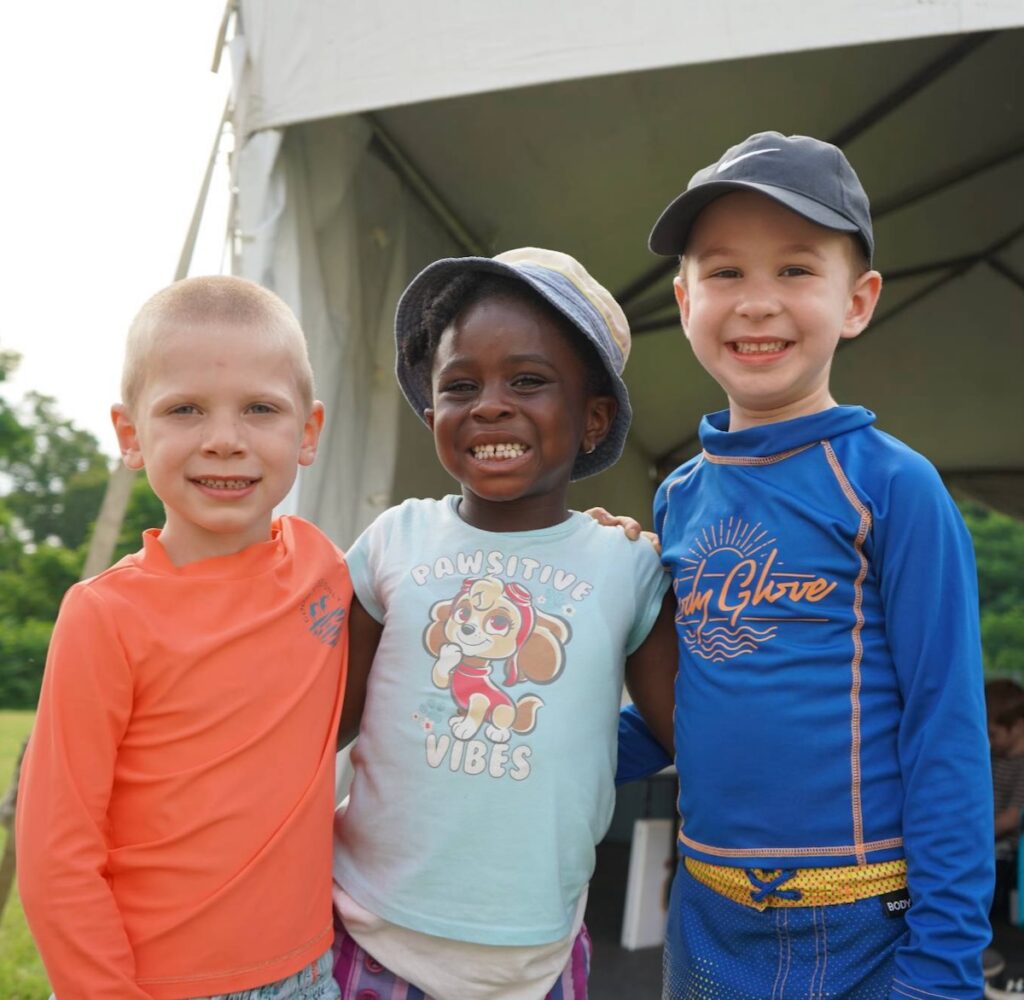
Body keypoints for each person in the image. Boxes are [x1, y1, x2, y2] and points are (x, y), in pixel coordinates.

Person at [615, 131, 993, 998]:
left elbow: (947, 731)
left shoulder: (893, 487)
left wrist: (944, 965)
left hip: (866, 922)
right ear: (682, 299)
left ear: (857, 301)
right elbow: (692, 703)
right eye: (724, 273)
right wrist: (539, 750)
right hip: (707, 911)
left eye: (793, 270)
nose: (756, 303)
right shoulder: (678, 497)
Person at [330, 247, 676, 999]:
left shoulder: (627, 565)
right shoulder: (395, 540)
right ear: (432, 418)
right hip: (367, 934)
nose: (489, 404)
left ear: (594, 418)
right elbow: (322, 723)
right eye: (460, 386)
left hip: (536, 959)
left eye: (527, 380)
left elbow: (692, 732)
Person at [17, 276, 350, 1000]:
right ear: (132, 435)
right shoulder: (103, 616)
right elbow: (55, 852)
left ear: (309, 432)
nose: (224, 440)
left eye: (261, 409)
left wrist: (612, 530)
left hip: (310, 973)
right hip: (152, 985)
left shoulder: (327, 569)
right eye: (185, 410)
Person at [986, 678, 1024, 920]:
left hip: (1005, 855)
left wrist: (973, 837)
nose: (989, 741)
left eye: (993, 734)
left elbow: (1012, 818)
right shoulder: (993, 758)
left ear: (1018, 726)